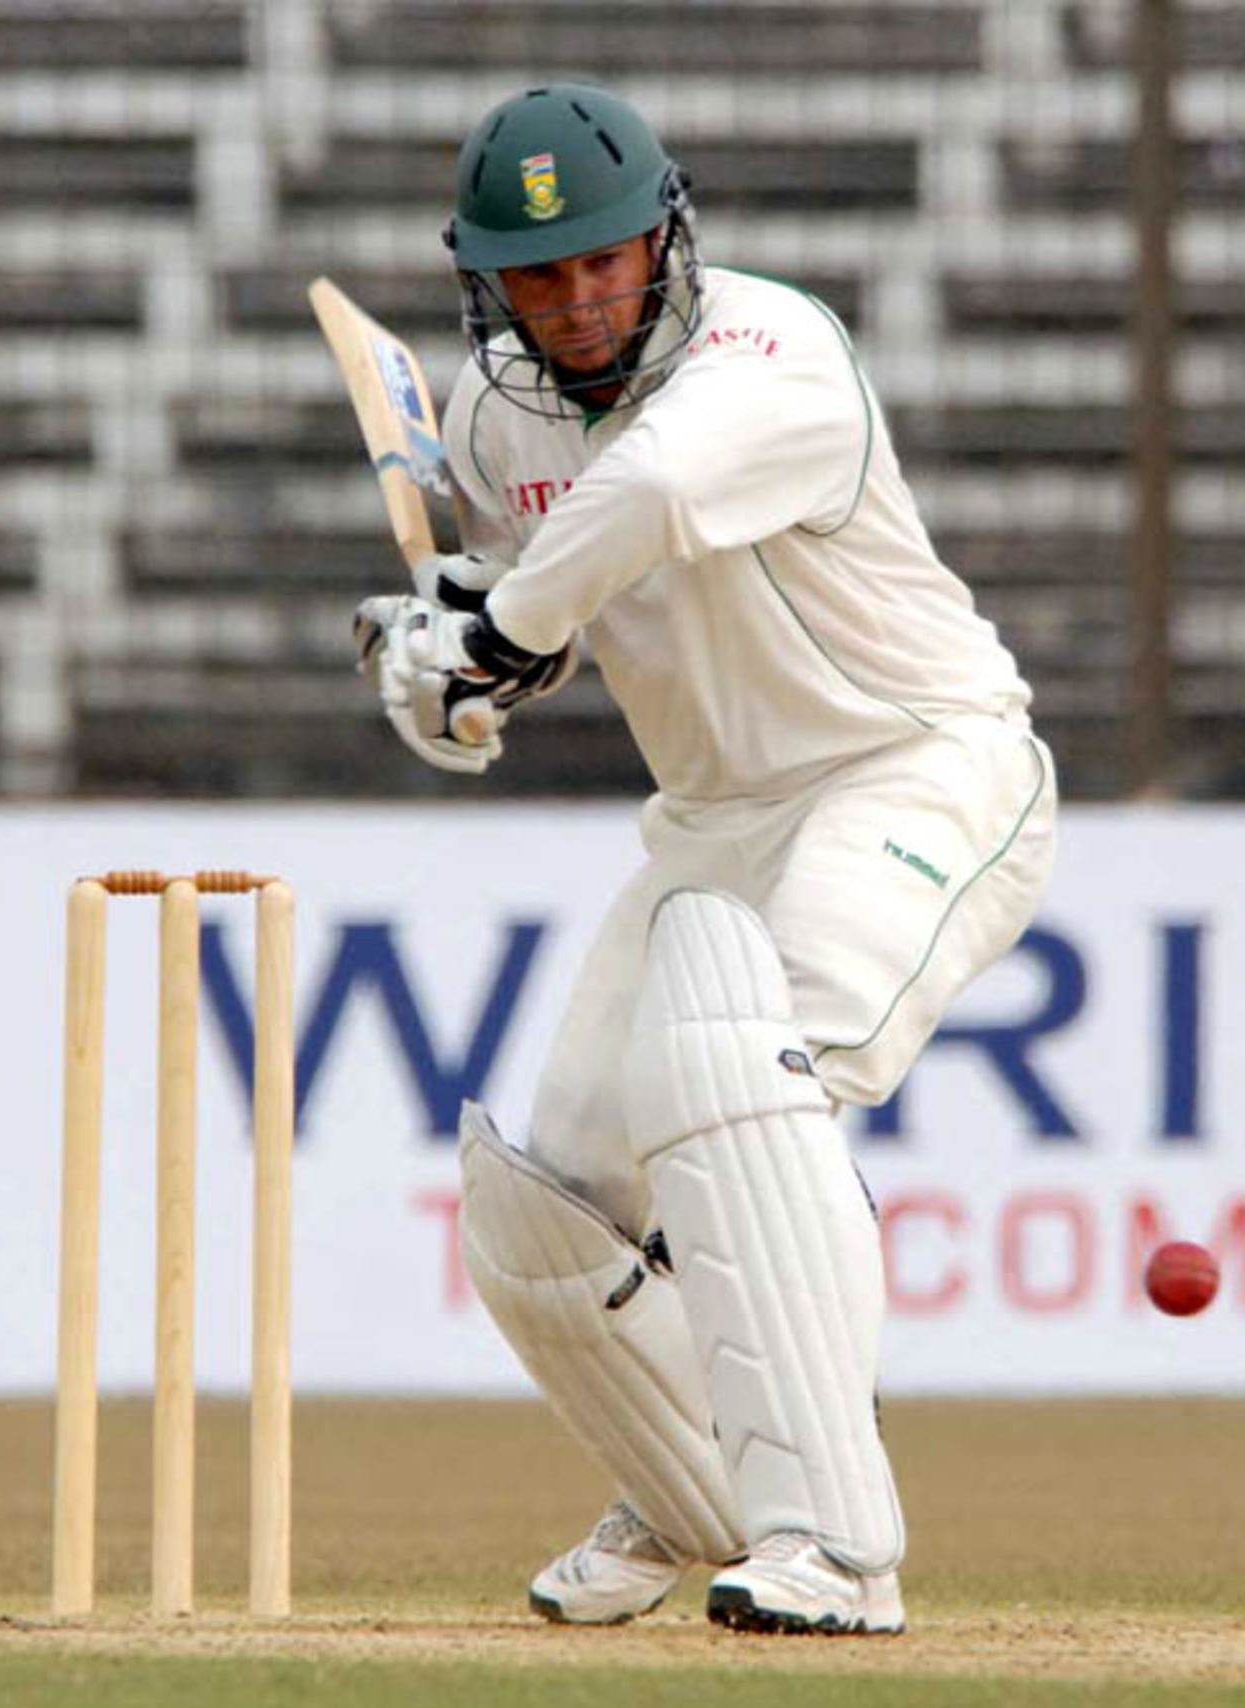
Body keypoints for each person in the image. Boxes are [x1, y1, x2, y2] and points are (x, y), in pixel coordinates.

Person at [353, 82, 1057, 1635]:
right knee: (548, 1212)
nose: (585, 298)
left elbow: (655, 496)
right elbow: (535, 606)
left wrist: (504, 624)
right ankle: (696, 1497)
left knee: (737, 1074)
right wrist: (456, 679)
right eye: (541, 277)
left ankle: (832, 1548)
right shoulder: (489, 419)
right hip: (712, 820)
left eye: (608, 258)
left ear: (668, 234)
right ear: (492, 287)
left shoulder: (774, 347)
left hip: (918, 763)